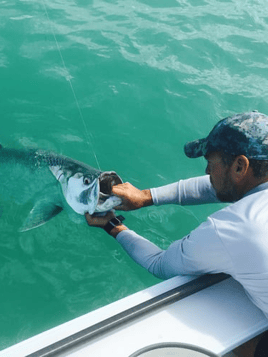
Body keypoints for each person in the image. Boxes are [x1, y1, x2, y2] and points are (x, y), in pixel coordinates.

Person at [85, 111, 268, 357]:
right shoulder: (255, 182)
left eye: (211, 163)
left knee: (233, 333)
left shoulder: (234, 227)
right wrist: (145, 197)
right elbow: (220, 187)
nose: (206, 171)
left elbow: (159, 263)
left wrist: (112, 225)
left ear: (240, 166)